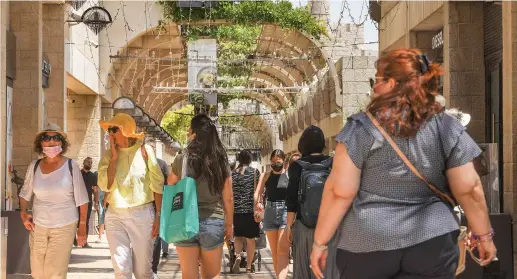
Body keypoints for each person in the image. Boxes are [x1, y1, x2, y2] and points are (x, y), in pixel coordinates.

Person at [310, 49, 497, 279]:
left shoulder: (360, 129)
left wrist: (320, 242)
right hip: (432, 242)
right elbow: (469, 187)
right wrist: (484, 236)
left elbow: (340, 192)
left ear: (390, 83)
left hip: (367, 243)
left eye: (376, 81)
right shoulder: (445, 126)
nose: (374, 88)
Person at [19, 123, 90, 279]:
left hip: (64, 226)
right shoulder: (34, 166)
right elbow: (25, 194)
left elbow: (83, 200)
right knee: (38, 273)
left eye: (55, 137)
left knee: (54, 273)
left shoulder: (71, 166)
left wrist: (82, 226)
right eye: (46, 138)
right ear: (40, 143)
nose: (51, 141)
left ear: (61, 143)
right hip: (38, 227)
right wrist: (23, 213)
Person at [98, 113, 164, 279]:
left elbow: (157, 185)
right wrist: (113, 158)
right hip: (115, 215)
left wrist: (158, 216)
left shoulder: (145, 151)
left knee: (143, 272)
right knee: (121, 271)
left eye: (114, 129)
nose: (110, 133)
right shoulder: (108, 156)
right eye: (109, 130)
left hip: (142, 214)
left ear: (126, 130)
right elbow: (105, 185)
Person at [167, 114, 234, 279]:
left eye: (189, 130)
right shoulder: (220, 160)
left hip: (185, 220)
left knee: (188, 275)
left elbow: (170, 185)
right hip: (212, 220)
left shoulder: (182, 158)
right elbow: (228, 196)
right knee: (212, 275)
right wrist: (229, 224)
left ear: (194, 133)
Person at [286, 126, 339, 279]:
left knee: (303, 270)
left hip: (304, 226)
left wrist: (289, 227)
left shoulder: (297, 166)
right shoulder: (333, 163)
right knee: (327, 270)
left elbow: (292, 200)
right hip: (330, 228)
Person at [254, 149, 290, 279]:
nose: (276, 163)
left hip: (285, 211)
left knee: (282, 249)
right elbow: (257, 192)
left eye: (278, 161)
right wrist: (258, 203)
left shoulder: (288, 175)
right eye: (274, 161)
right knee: (274, 252)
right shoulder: (266, 175)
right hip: (269, 211)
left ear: (283, 161)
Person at [231, 150, 261, 274]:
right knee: (250, 239)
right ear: (250, 159)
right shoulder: (255, 172)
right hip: (250, 211)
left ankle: (238, 256)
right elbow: (259, 190)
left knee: (238, 237)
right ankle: (249, 266)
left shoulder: (233, 173)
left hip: (236, 211)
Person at [152, 157, 170, 274]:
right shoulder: (162, 163)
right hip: (160, 203)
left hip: (145, 203)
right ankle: (153, 269)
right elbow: (169, 184)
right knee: (157, 234)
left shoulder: (140, 161)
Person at [73, 157, 97, 248]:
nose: (90, 164)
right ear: (84, 163)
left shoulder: (93, 176)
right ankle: (74, 240)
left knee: (86, 221)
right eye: (88, 162)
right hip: (77, 201)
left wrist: (96, 202)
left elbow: (95, 190)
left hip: (88, 202)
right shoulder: (78, 174)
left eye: (91, 162)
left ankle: (84, 242)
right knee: (76, 221)